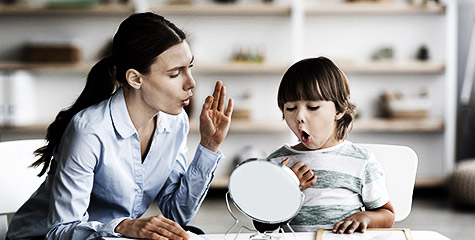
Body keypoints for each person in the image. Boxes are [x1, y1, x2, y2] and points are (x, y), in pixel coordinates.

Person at [6, 12, 233, 240]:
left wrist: (209, 146)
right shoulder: (89, 130)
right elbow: (60, 231)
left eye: (189, 67)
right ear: (135, 79)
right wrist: (121, 226)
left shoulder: (176, 122)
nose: (191, 82)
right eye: (175, 74)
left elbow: (177, 213)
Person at [267, 57, 394, 234]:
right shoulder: (278, 162)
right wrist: (288, 191)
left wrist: (365, 217)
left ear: (340, 110)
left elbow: (387, 214)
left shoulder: (361, 161)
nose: (299, 117)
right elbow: (262, 225)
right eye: (290, 108)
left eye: (312, 107)